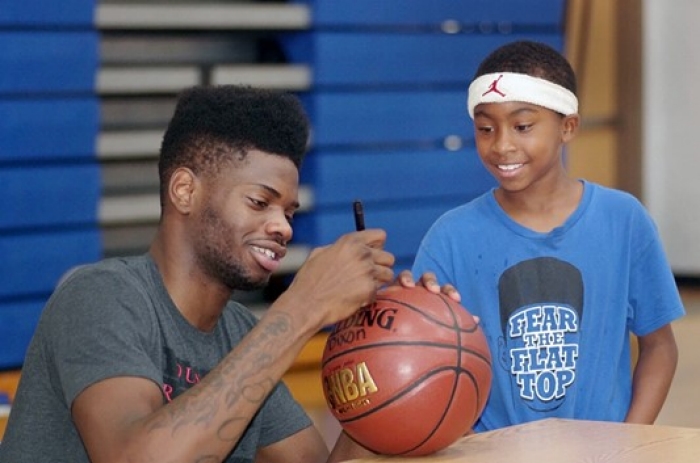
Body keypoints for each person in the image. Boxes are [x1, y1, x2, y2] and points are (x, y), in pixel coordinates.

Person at [0, 85, 442, 463]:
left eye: (289, 212)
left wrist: (391, 354)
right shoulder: (99, 297)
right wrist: (304, 304)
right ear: (185, 191)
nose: (283, 227)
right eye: (259, 202)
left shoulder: (236, 334)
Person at [411, 40, 685, 432]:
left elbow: (660, 347)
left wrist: (627, 443)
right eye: (485, 128)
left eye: (523, 126)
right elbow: (420, 358)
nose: (502, 145)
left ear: (568, 126)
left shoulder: (624, 221)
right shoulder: (449, 237)